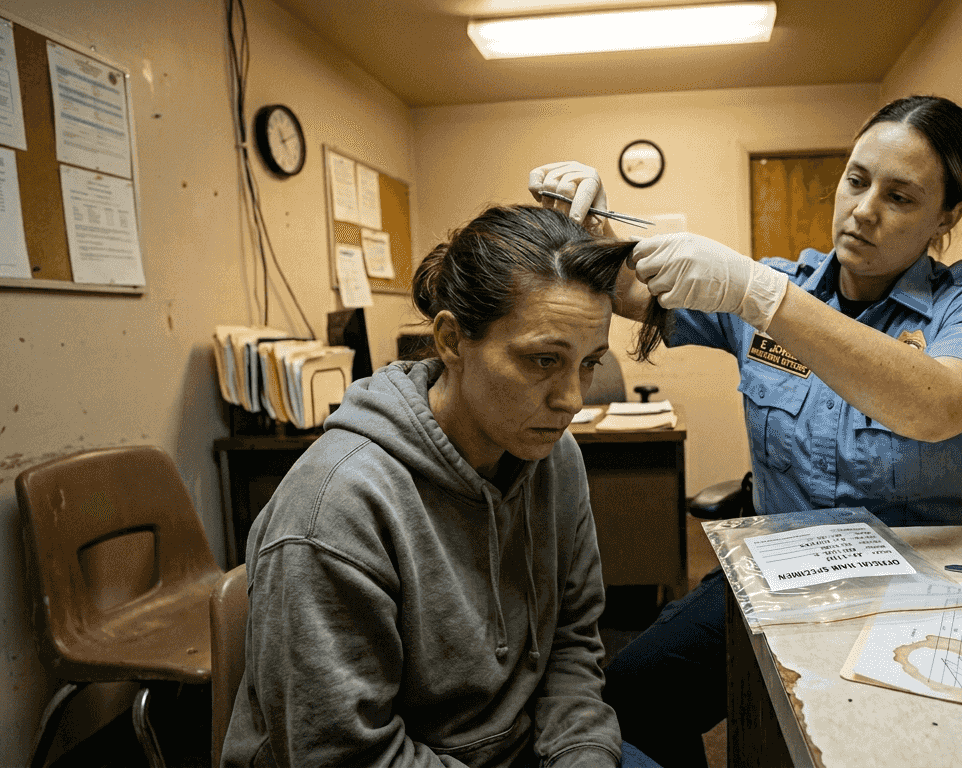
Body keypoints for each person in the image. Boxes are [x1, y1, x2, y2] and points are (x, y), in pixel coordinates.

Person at [529, 95, 962, 768]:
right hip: (779, 576)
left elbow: (937, 405)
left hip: (916, 588)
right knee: (630, 698)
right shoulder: (769, 286)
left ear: (948, 216)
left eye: (901, 197)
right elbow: (628, 291)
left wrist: (766, 299)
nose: (864, 210)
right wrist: (579, 224)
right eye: (856, 180)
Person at [221, 205, 667, 768]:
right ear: (452, 340)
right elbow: (343, 754)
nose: (572, 401)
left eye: (588, 364)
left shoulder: (556, 458)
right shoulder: (336, 508)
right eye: (543, 360)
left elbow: (570, 645)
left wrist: (582, 755)